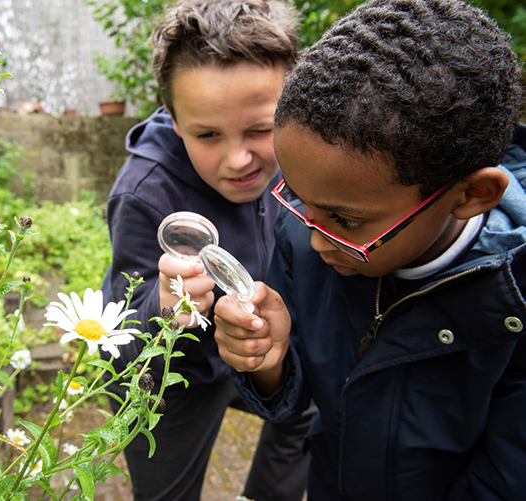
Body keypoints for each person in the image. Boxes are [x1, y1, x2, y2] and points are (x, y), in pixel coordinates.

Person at [213, 0, 526, 499]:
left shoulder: (513, 300)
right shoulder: (307, 235)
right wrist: (267, 361)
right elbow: (290, 406)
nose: (316, 238)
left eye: (347, 220)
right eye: (295, 195)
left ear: (471, 195)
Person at [101, 0, 314, 499]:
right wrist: (160, 307)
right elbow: (121, 340)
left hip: (250, 358)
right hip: (173, 380)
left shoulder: (300, 156)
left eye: (261, 130)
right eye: (207, 135)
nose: (239, 159)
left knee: (316, 400)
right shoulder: (143, 193)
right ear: (173, 120)